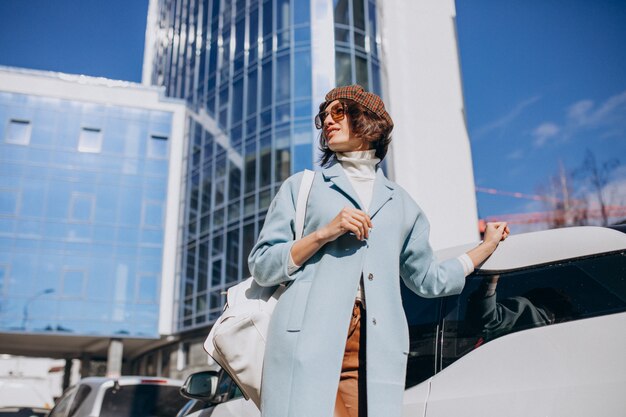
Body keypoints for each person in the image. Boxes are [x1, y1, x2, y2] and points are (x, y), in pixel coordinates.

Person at [248, 85, 509, 417]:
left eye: (338, 111)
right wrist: (324, 233)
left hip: (372, 347)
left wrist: (484, 247)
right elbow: (262, 264)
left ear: (368, 122)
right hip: (305, 338)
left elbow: (429, 280)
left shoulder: (401, 204)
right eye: (323, 115)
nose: (327, 119)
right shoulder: (302, 187)